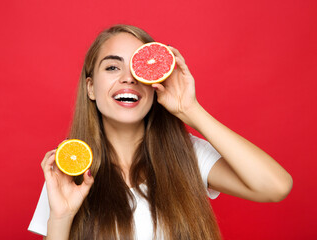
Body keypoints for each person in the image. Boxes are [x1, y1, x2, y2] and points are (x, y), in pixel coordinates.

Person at [28, 24, 293, 240]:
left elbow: (276, 186)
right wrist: (61, 217)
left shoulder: (187, 155)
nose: (128, 78)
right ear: (90, 89)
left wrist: (190, 110)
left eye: (138, 69)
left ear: (154, 84)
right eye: (112, 67)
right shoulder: (68, 167)